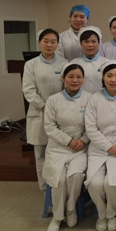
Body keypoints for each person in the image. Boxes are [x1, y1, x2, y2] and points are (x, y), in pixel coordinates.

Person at [42, 62, 91, 231]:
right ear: (63, 78)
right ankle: (57, 217)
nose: (75, 80)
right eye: (71, 76)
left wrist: (83, 140)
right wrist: (68, 141)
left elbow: (93, 125)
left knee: (75, 176)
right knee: (59, 179)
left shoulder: (89, 99)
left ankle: (71, 209)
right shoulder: (53, 100)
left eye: (78, 77)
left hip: (80, 148)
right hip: (58, 148)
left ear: (83, 79)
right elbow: (49, 127)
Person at [84, 61, 116, 231]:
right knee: (94, 183)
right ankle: (101, 213)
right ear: (103, 78)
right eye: (109, 76)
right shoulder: (94, 99)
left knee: (112, 183)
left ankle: (111, 214)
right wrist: (109, 147)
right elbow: (91, 129)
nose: (113, 80)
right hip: (99, 149)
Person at [22, 28, 67, 190]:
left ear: (57, 44)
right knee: (41, 153)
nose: (49, 45)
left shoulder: (64, 63)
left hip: (60, 114)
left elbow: (68, 87)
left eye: (53, 42)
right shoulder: (31, 64)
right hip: (39, 113)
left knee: (59, 151)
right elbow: (28, 90)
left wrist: (58, 108)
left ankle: (58, 186)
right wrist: (44, 106)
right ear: (39, 42)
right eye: (46, 41)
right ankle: (44, 188)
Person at [72, 26, 108, 94]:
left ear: (99, 43)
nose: (90, 45)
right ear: (81, 43)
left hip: (101, 99)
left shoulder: (106, 63)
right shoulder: (74, 63)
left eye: (93, 41)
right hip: (81, 99)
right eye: (86, 41)